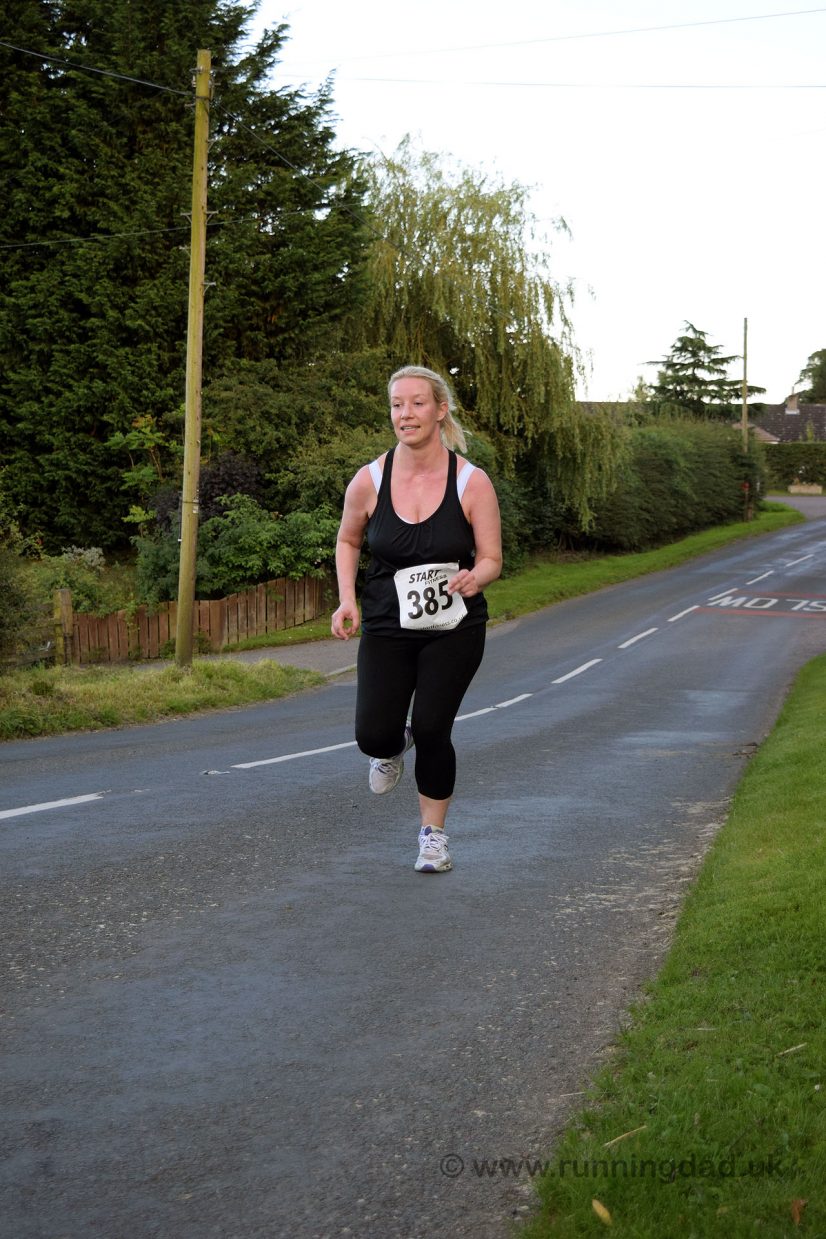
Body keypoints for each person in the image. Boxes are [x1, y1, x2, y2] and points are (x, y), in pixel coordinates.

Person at [331, 365, 502, 872]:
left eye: (417, 403)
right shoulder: (370, 479)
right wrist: (347, 599)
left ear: (440, 409)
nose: (405, 414)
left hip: (455, 626)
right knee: (373, 735)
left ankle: (433, 836)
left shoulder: (472, 482)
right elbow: (348, 540)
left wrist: (478, 577)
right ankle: (391, 745)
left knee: (432, 726)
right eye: (396, 405)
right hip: (387, 621)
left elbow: (492, 556)